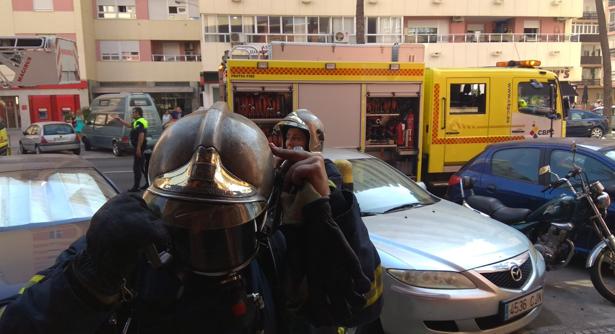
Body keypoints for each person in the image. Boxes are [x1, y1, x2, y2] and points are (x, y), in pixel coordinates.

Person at [0, 102, 383, 334]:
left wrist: (333, 214)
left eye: (227, 221)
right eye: (190, 216)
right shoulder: (124, 255)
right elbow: (18, 324)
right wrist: (88, 278)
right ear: (156, 207)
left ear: (263, 215)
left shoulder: (277, 252)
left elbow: (360, 305)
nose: (209, 233)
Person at [115, 107, 149, 192]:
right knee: (141, 167)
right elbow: (129, 125)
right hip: (139, 147)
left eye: (133, 112)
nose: (132, 114)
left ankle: (136, 187)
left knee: (137, 167)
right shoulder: (137, 121)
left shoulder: (140, 122)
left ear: (138, 113)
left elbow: (141, 135)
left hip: (139, 147)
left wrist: (138, 148)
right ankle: (148, 183)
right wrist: (120, 120)